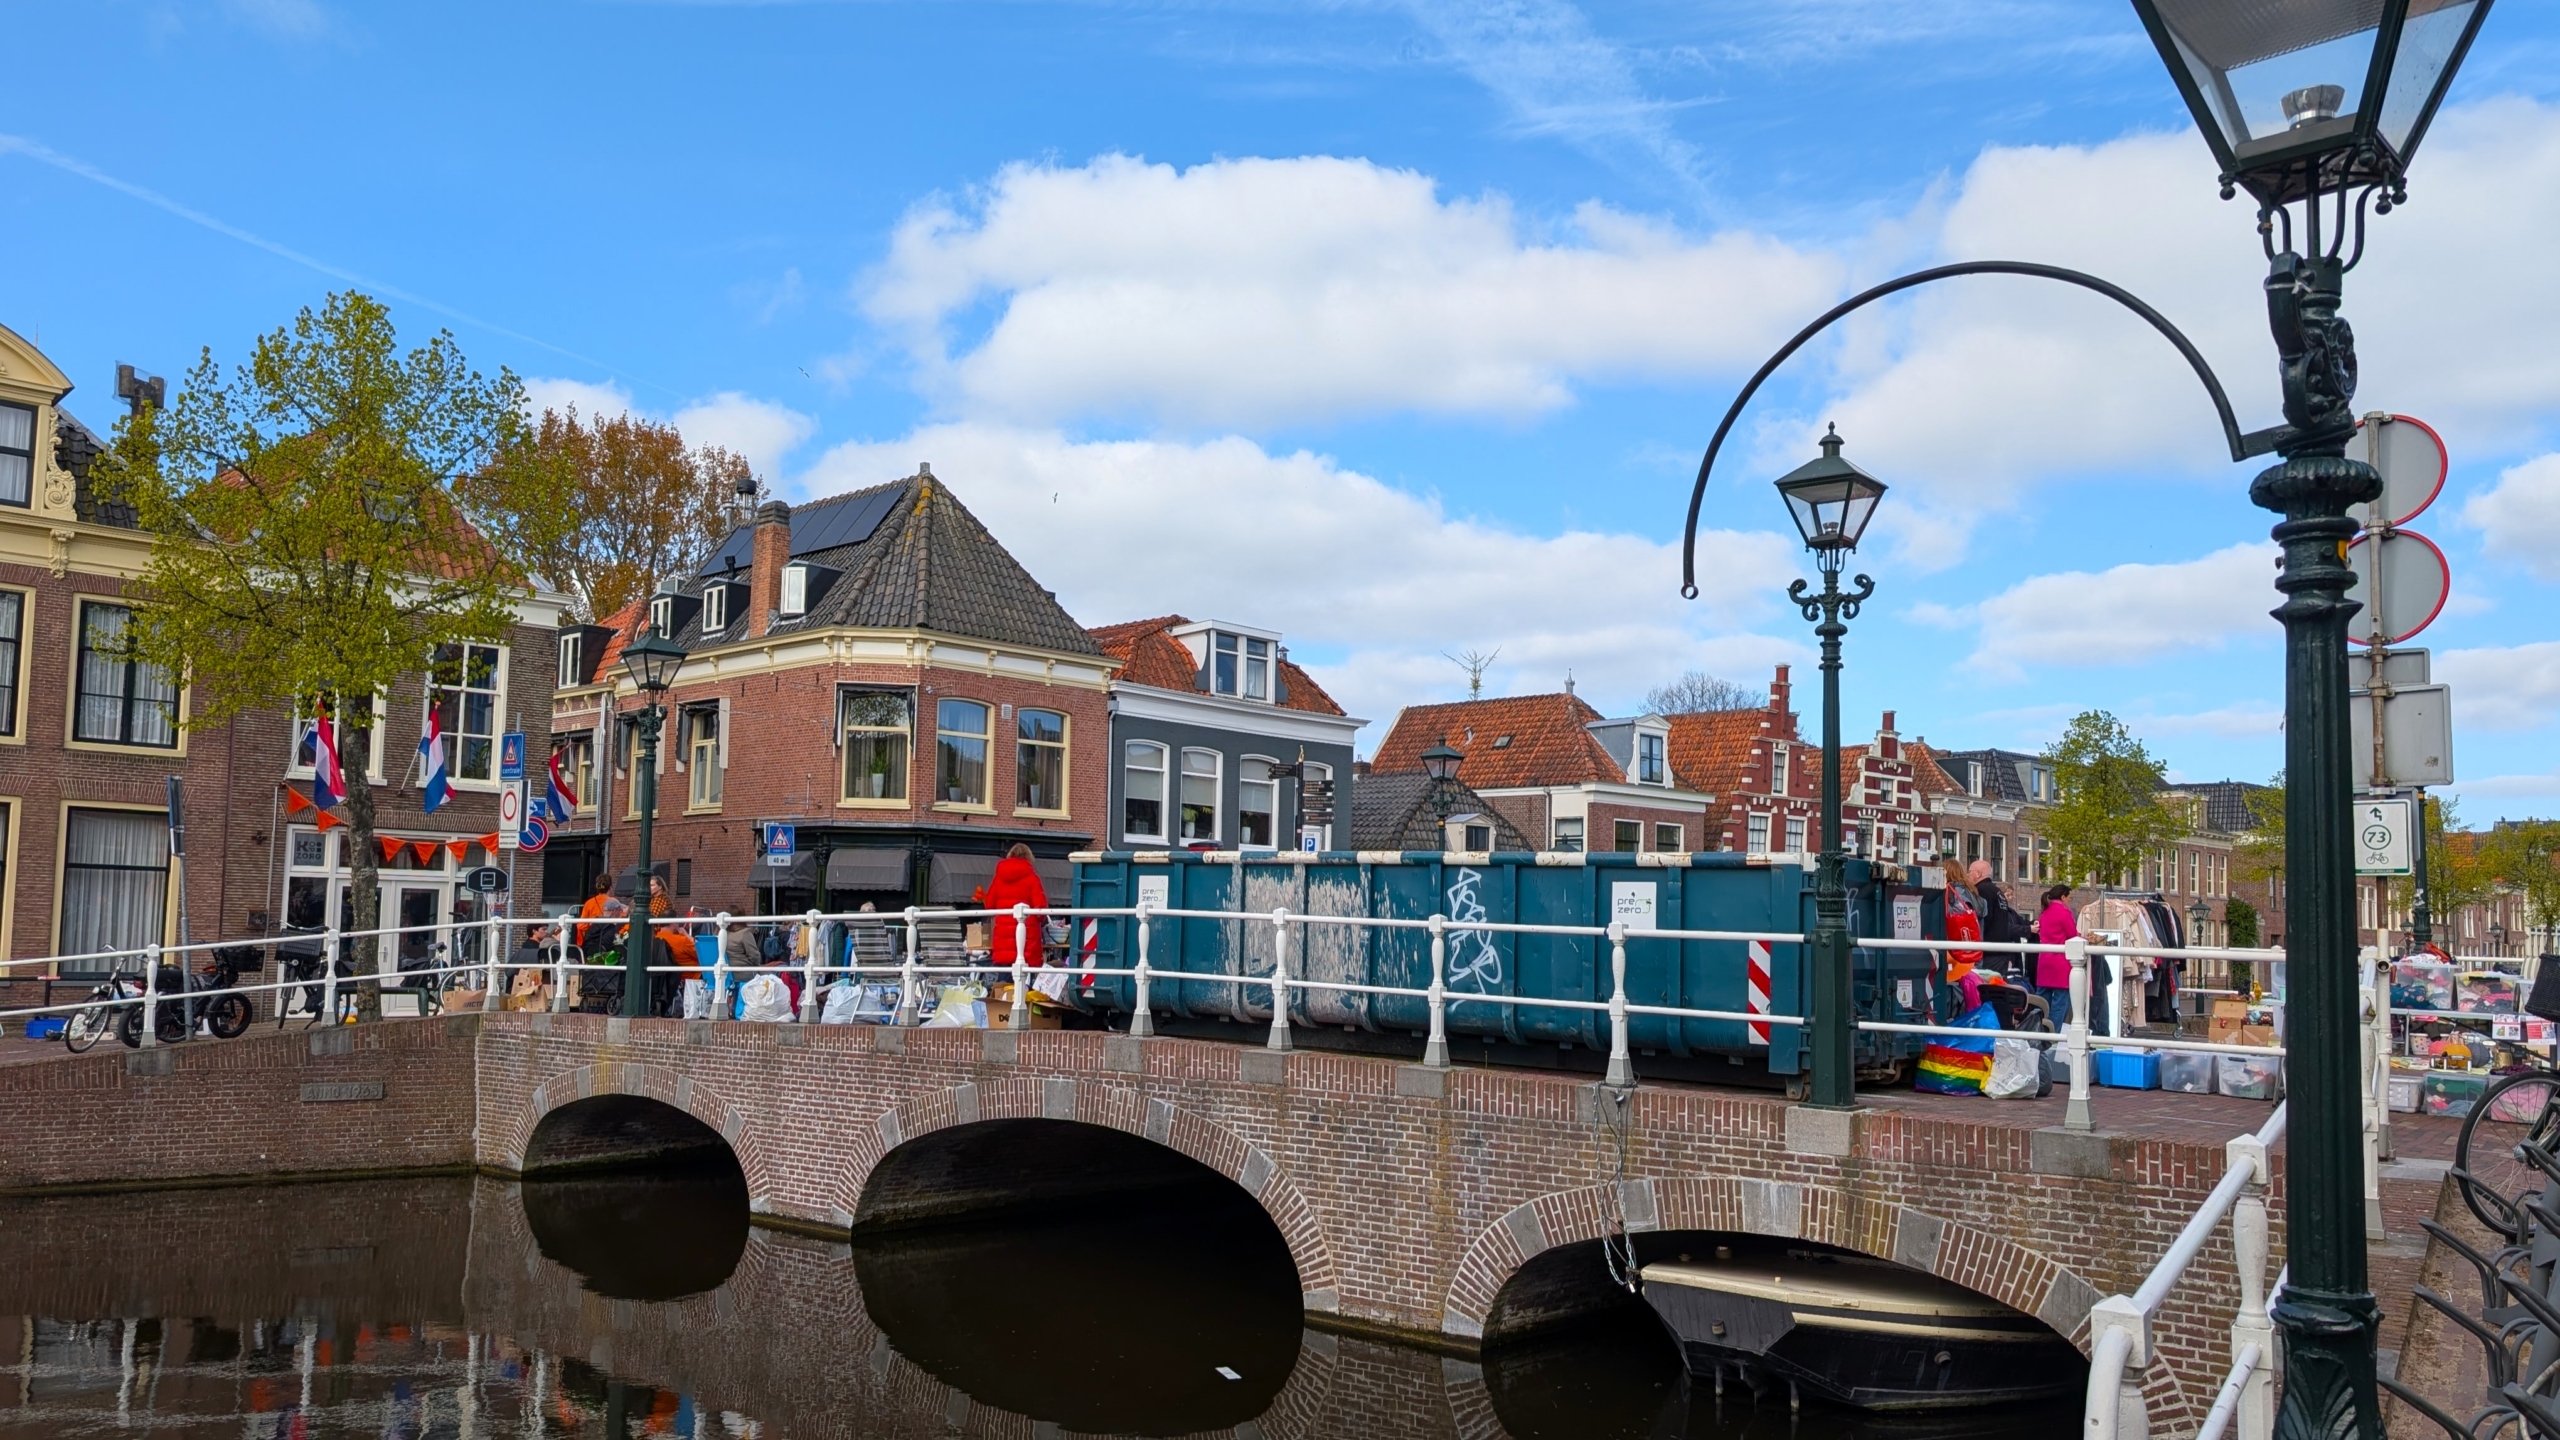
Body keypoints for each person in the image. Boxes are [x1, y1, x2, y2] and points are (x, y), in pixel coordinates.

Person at [984, 844, 1049, 968]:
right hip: (1027, 943)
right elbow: (1040, 910)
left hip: (1003, 943)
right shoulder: (1032, 878)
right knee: (1026, 985)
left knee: (1003, 985)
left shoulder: (999, 878)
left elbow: (989, 905)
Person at [1969, 860, 2032, 981]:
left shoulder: (1981, 890)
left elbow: (1984, 919)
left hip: (1989, 950)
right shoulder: (1998, 892)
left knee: (1986, 986)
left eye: (1969, 872)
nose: (1968, 875)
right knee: (1997, 984)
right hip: (2001, 949)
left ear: (1978, 873)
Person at [1939, 858, 1984, 1014]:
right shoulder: (1974, 893)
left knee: (1953, 994)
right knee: (1969, 993)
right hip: (1974, 952)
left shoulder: (1950, 893)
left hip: (1956, 955)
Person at [2034, 883, 2080, 1025]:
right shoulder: (2064, 912)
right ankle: (2053, 1034)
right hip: (2060, 961)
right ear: (2063, 897)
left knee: (2041, 1000)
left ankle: (2036, 1030)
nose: (2069, 901)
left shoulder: (2044, 912)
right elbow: (2072, 935)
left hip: (2044, 960)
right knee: (2060, 1002)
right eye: (2069, 898)